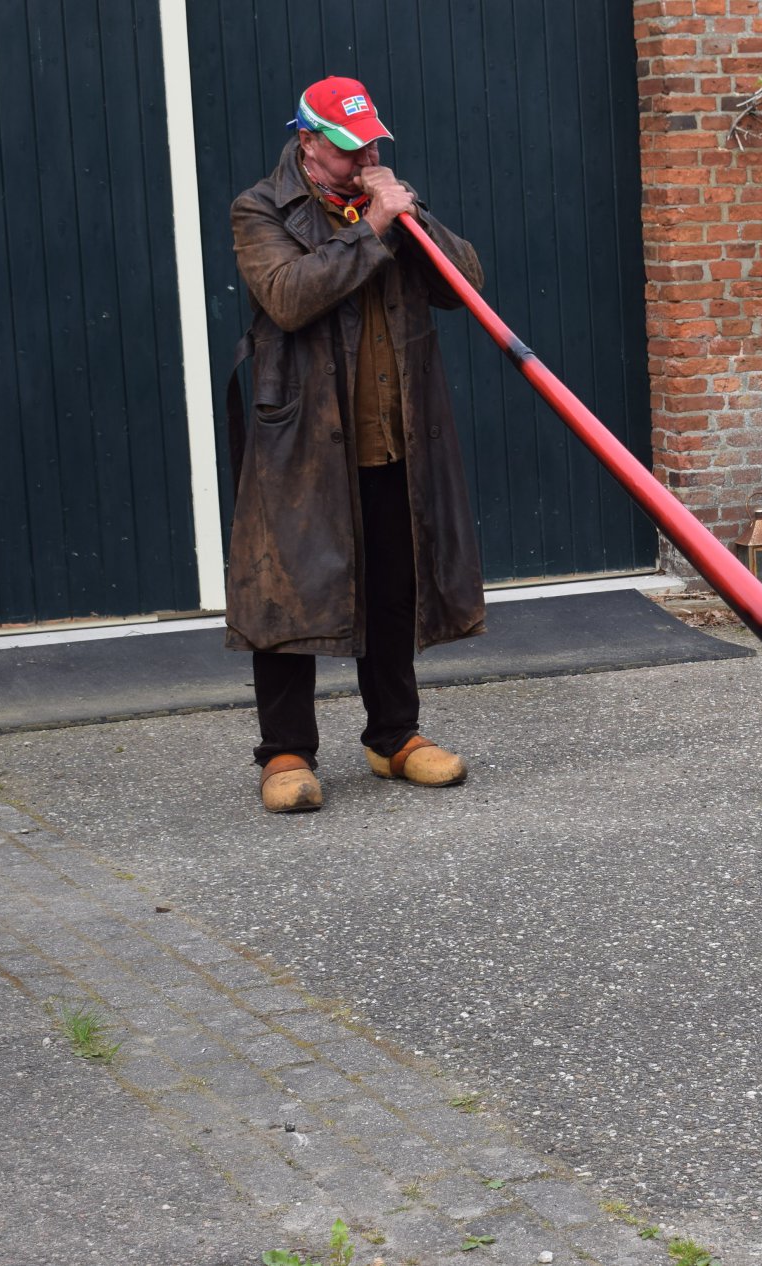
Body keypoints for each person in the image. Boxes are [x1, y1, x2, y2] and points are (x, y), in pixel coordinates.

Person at [226, 76, 488, 813]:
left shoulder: (389, 209)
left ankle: (394, 737)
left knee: (393, 586)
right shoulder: (259, 209)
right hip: (301, 439)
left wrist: (414, 222)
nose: (362, 155)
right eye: (346, 147)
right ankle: (285, 751)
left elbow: (466, 284)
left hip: (394, 432)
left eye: (370, 141)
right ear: (307, 142)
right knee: (288, 590)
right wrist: (370, 229)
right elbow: (288, 295)